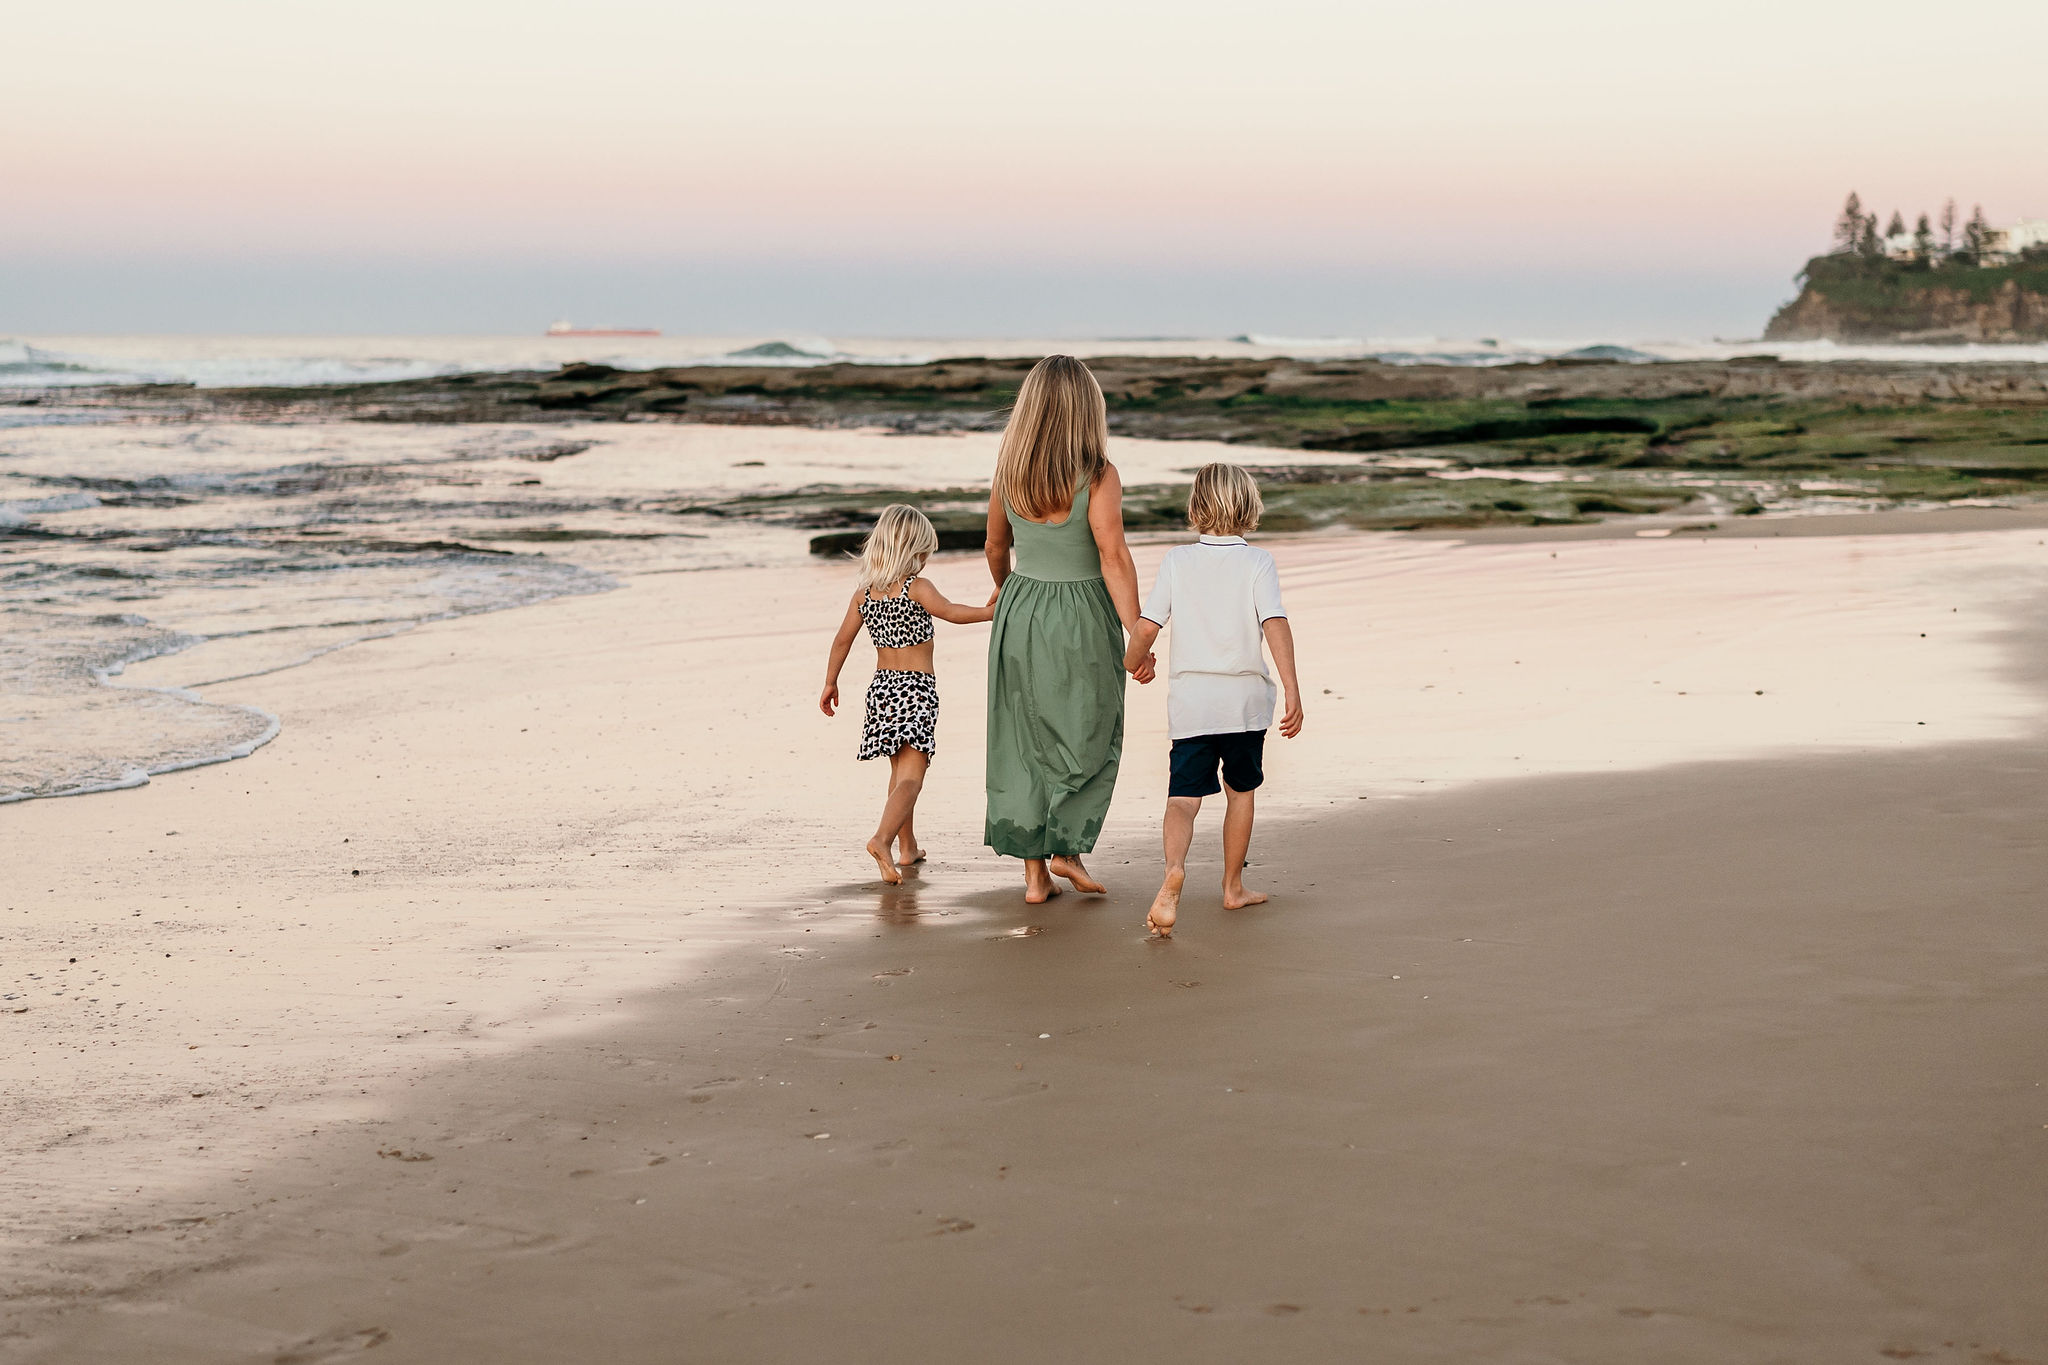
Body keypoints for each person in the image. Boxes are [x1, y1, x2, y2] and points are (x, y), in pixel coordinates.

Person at [984, 356, 1152, 904]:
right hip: (1083, 610)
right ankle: (1066, 849)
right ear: (1088, 409)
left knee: (1023, 738)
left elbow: (994, 545)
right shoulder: (1098, 473)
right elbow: (1112, 554)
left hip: (1021, 607)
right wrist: (1137, 630)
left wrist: (1004, 589)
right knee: (1089, 727)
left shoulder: (1009, 469)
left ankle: (1035, 877)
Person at [1121, 462, 1303, 936]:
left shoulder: (1178, 561)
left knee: (1183, 799)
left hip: (1191, 704)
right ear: (1249, 507)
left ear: (1196, 508)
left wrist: (1134, 661)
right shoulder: (1257, 562)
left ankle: (1173, 870)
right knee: (1240, 793)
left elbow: (1147, 624)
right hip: (1244, 704)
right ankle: (1232, 887)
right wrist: (1292, 688)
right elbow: (1274, 623)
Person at [821, 504, 996, 885]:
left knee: (899, 770)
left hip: (881, 690)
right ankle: (882, 840)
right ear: (911, 550)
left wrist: (830, 682)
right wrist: (991, 614)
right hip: (915, 690)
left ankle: (907, 846)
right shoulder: (915, 587)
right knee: (913, 777)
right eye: (923, 554)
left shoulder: (864, 594)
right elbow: (950, 612)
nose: (924, 562)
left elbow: (841, 641)